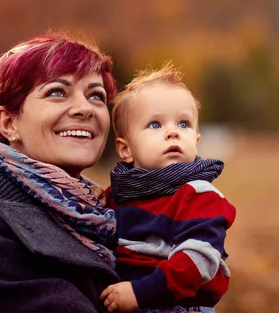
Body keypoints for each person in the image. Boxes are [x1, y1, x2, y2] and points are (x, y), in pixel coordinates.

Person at [0, 35, 121, 313]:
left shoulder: (108, 219)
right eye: (57, 92)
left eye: (96, 96)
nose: (86, 108)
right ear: (8, 123)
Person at [100, 62, 236, 313]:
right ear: (125, 149)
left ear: (196, 141)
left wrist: (141, 293)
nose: (173, 132)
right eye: (155, 124)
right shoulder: (120, 193)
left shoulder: (198, 195)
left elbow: (198, 260)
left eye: (183, 124)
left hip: (180, 304)